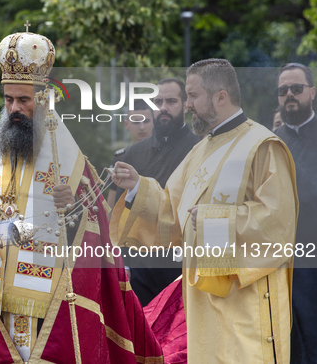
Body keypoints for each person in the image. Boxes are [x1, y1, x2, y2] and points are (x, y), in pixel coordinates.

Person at [0, 31, 168, 363]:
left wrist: (71, 207)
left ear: (43, 99)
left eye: (23, 100)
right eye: (8, 100)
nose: (14, 109)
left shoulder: (70, 161)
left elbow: (95, 227)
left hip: (52, 294)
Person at [111, 58, 297, 363]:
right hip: (202, 302)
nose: (188, 106)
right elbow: (171, 213)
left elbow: (278, 223)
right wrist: (137, 187)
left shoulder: (262, 145)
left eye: (193, 96)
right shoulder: (201, 149)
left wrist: (215, 220)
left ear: (220, 97)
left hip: (244, 300)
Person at [116, 77, 199, 306]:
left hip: (182, 266)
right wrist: (123, 263)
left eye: (171, 101)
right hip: (140, 267)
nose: (163, 107)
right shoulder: (134, 153)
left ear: (185, 105)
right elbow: (123, 213)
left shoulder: (201, 148)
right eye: (158, 101)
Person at [273, 63, 317, 363]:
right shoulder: (268, 145)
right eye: (283, 91)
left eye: (296, 89)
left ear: (311, 91)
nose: (289, 96)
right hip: (280, 267)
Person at [106, 100, 154, 207]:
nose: (142, 127)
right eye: (136, 122)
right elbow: (111, 204)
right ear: (126, 124)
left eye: (146, 121)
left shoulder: (164, 155)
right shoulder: (120, 158)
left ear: (153, 122)